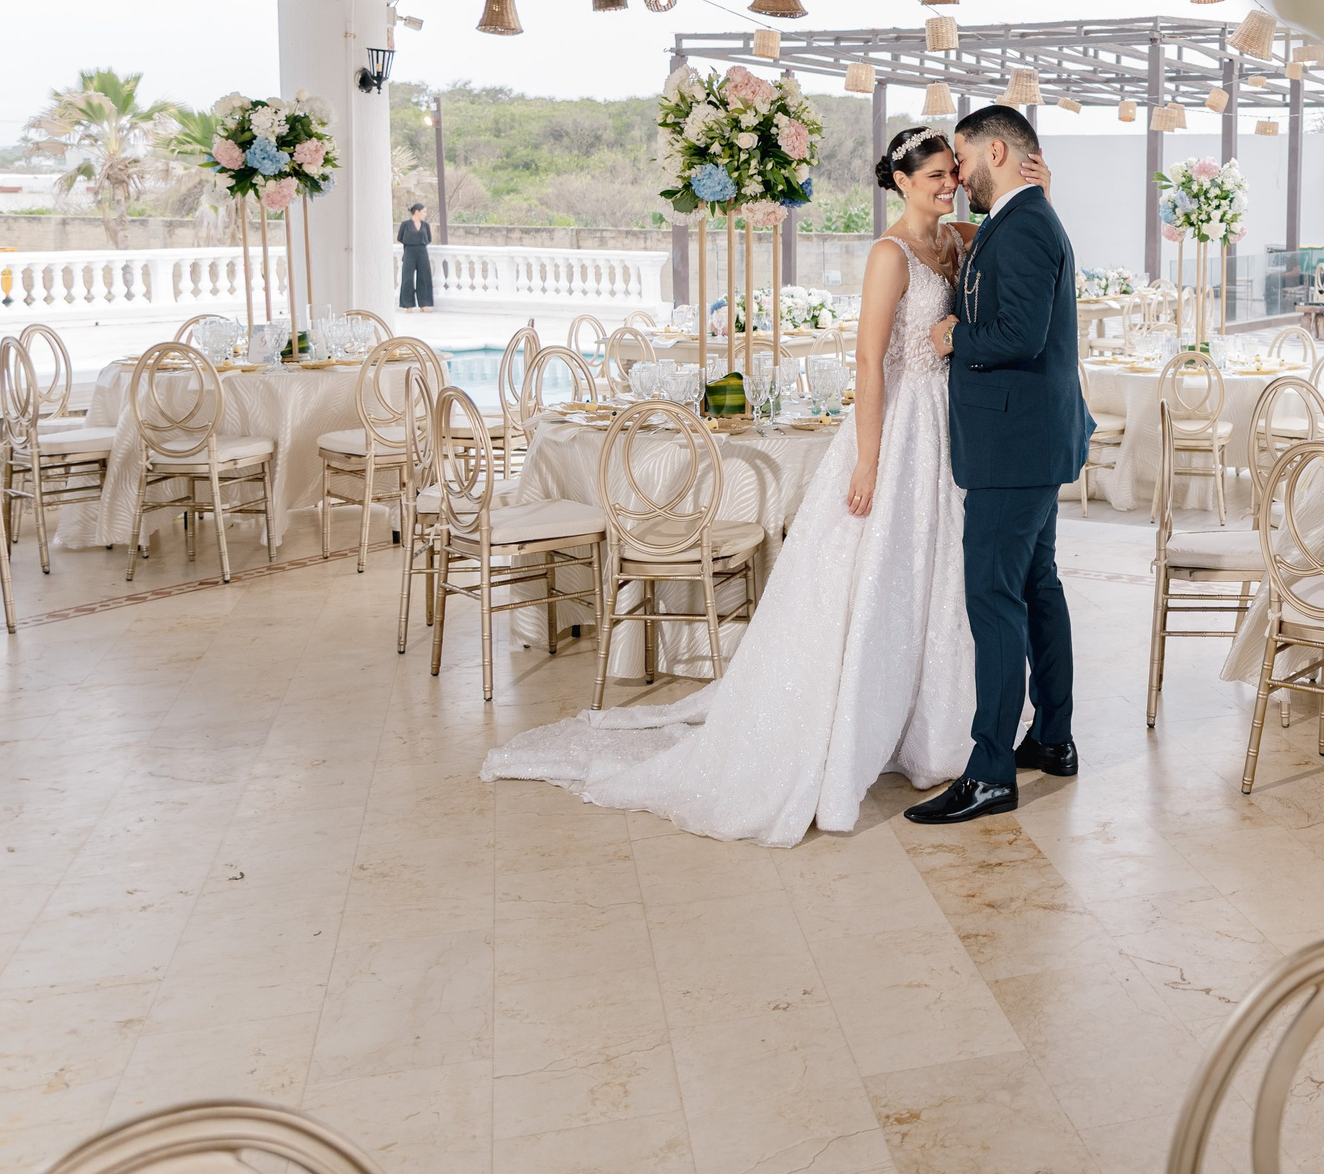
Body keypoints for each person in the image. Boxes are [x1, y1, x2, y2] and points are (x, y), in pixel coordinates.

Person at [479, 130, 1050, 845]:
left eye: (952, 174)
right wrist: (867, 460)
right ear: (901, 180)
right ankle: (857, 721)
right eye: (936, 174)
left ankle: (936, 727)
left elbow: (1008, 225)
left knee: (941, 577)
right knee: (883, 577)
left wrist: (1039, 188)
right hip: (901, 428)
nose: (949, 184)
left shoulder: (955, 242)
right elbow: (869, 365)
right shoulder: (889, 254)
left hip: (951, 432)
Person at [906, 104, 1094, 826]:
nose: (958, 174)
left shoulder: (1026, 224)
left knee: (994, 597)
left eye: (962, 158)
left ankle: (989, 773)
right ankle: (1052, 736)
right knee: (1037, 586)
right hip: (1029, 439)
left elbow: (1019, 331)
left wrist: (957, 335)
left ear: (994, 151)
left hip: (1013, 447)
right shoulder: (1022, 217)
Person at [396, 203, 435, 310]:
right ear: (417, 211)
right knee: (407, 278)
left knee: (424, 277)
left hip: (422, 251)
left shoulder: (425, 225)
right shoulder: (405, 224)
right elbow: (400, 237)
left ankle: (424, 304)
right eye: (424, 212)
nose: (425, 214)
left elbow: (429, 238)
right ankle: (408, 305)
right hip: (409, 251)